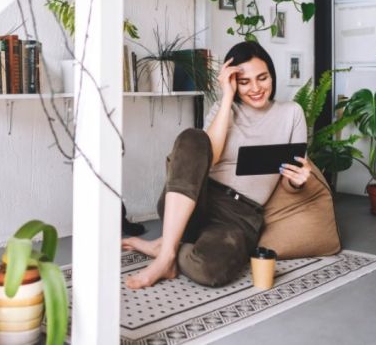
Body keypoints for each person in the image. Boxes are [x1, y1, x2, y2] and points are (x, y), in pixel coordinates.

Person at [122, 41, 315, 289]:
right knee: (192, 137)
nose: (256, 88)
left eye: (262, 78)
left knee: (208, 271)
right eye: (244, 82)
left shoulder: (291, 113)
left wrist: (297, 180)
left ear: (272, 76)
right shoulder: (224, 109)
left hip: (239, 217)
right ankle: (166, 258)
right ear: (234, 82)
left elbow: (291, 171)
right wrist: (226, 98)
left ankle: (167, 243)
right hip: (195, 200)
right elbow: (207, 155)